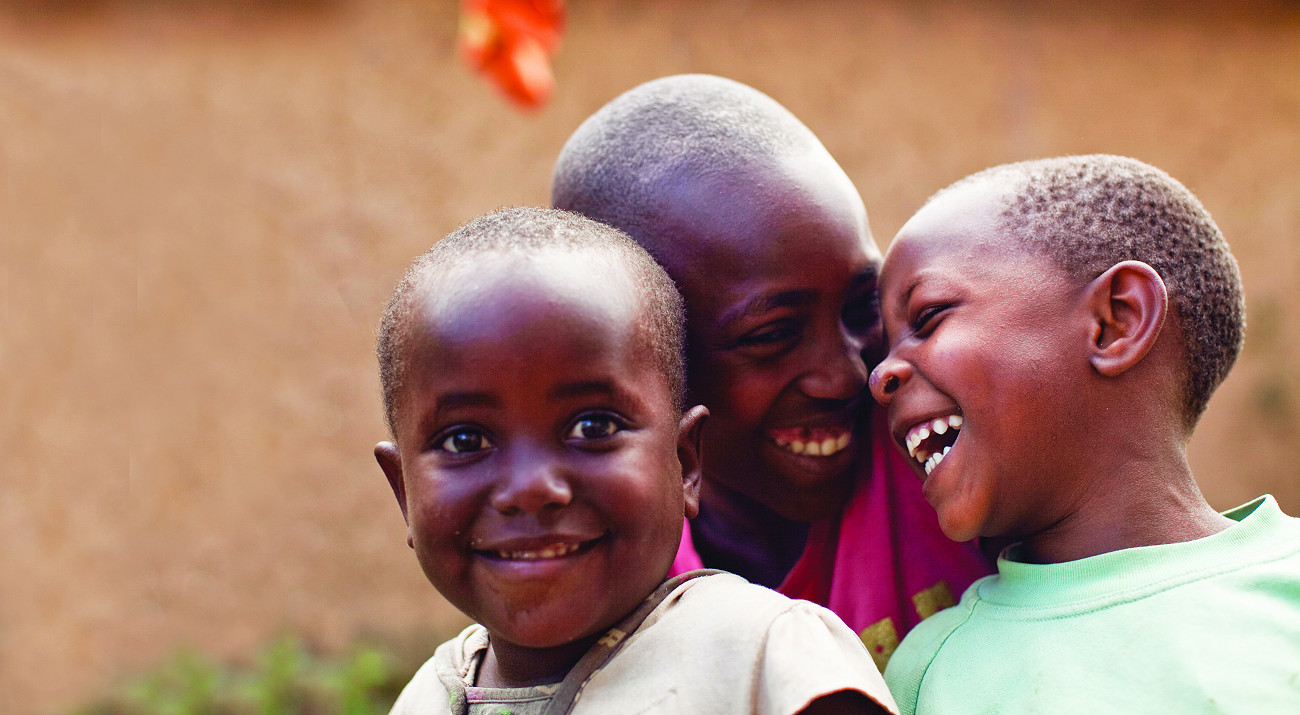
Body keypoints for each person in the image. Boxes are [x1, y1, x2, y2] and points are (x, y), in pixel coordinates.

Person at [373, 207, 898, 714]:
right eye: (465, 441)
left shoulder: (770, 659)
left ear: (686, 463)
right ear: (404, 491)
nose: (531, 488)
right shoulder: (429, 697)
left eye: (593, 428)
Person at [552, 74, 993, 669]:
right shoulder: (611, 585)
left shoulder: (950, 459)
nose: (844, 377)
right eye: (771, 336)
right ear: (639, 360)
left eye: (861, 306)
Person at [868, 155, 1300, 713]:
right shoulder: (928, 669)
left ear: (1115, 321)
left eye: (927, 317)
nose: (879, 376)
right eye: (881, 349)